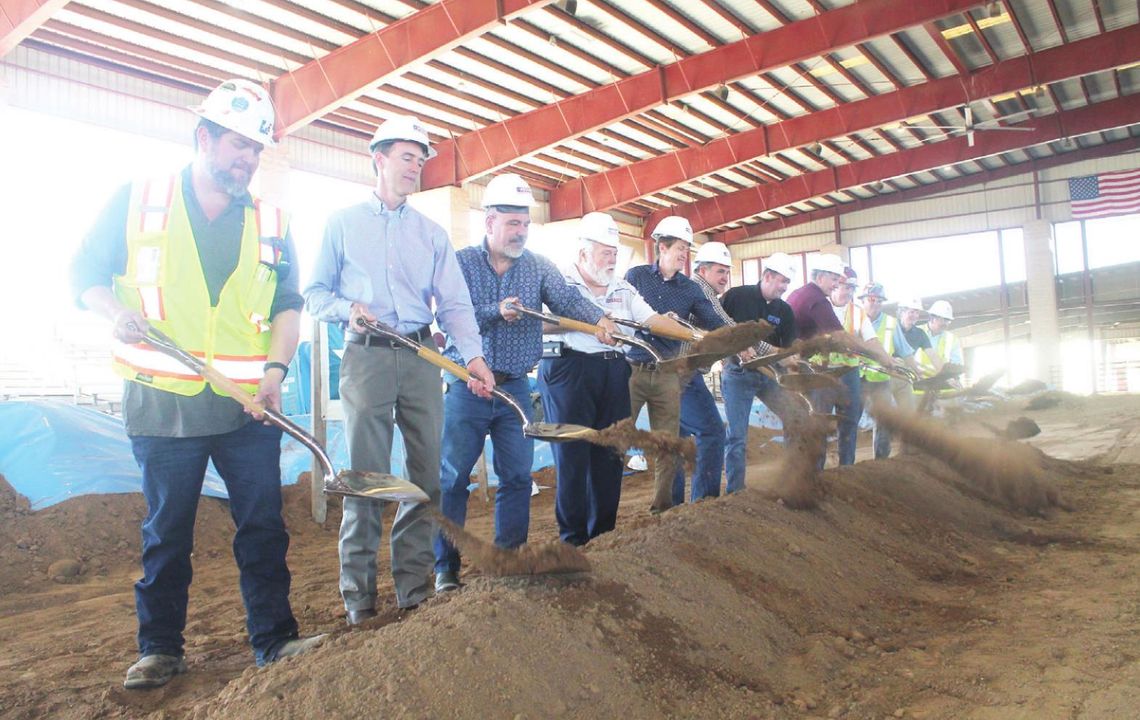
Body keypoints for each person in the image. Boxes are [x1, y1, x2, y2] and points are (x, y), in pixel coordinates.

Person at [70, 79, 322, 688]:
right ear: (203, 136)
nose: (248, 159)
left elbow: (289, 306)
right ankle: (159, 649)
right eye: (239, 144)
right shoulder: (140, 199)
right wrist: (115, 314)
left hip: (245, 406)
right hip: (163, 404)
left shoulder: (271, 221)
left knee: (263, 526)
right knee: (167, 531)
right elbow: (83, 274)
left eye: (257, 149)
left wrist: (275, 372)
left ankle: (275, 639)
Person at [303, 116, 494, 624]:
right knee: (365, 477)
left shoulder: (431, 234)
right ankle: (359, 599)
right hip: (365, 355)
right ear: (379, 158)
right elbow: (315, 292)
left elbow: (453, 305)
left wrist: (472, 357)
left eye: (421, 159)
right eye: (408, 156)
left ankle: (414, 588)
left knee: (426, 475)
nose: (416, 167)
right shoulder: (341, 224)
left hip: (418, 357)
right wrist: (348, 310)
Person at [434, 174, 617, 590]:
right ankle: (446, 567)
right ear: (489, 223)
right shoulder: (460, 263)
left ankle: (509, 557)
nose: (520, 232)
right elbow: (447, 314)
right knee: (453, 478)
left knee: (517, 477)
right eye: (512, 223)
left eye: (525, 224)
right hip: (467, 385)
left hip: (515, 387)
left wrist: (598, 320)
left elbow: (568, 301)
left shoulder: (537, 267)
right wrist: (496, 311)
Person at [537, 212, 688, 544]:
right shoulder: (558, 282)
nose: (612, 259)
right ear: (583, 252)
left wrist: (696, 337)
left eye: (615, 252)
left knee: (610, 454)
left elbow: (651, 320)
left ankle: (603, 535)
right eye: (605, 252)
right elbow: (538, 323)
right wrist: (588, 320)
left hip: (615, 372)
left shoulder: (622, 288)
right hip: (569, 371)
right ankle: (573, 540)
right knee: (573, 455)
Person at [624, 215, 726, 515]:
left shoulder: (690, 290)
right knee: (619, 436)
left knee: (667, 444)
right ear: (662, 247)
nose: (684, 255)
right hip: (633, 369)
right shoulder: (636, 276)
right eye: (680, 247)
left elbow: (715, 323)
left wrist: (736, 338)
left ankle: (664, 510)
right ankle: (601, 511)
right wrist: (656, 323)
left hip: (668, 373)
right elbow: (623, 314)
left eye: (687, 249)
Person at [720, 252, 799, 492]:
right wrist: (726, 355)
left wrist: (793, 360)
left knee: (794, 419)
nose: (785, 287)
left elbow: (790, 348)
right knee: (737, 436)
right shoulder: (736, 297)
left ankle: (791, 478)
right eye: (782, 281)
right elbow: (716, 326)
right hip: (738, 374)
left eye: (788, 282)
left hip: (769, 375)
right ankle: (736, 492)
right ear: (767, 276)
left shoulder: (784, 311)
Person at [671, 241, 735, 504]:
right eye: (720, 271)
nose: (725, 278)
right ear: (703, 270)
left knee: (677, 439)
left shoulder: (696, 289)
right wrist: (755, 339)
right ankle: (705, 503)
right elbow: (726, 328)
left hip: (675, 373)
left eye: (727, 272)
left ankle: (670, 506)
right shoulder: (700, 288)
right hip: (684, 373)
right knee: (713, 432)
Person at [823, 269, 895, 466]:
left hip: (849, 373)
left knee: (850, 420)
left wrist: (885, 357)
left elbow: (871, 339)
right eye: (846, 287)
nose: (849, 292)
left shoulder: (857, 312)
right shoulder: (821, 306)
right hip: (824, 372)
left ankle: (847, 467)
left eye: (852, 288)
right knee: (821, 420)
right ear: (835, 285)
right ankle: (817, 469)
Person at [857, 283, 903, 459]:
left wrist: (913, 369)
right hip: (857, 377)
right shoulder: (854, 318)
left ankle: (881, 460)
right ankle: (846, 462)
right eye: (871, 299)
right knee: (851, 418)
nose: (874, 303)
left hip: (881, 380)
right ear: (863, 300)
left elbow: (904, 351)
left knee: (883, 420)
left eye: (879, 300)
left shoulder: (891, 323)